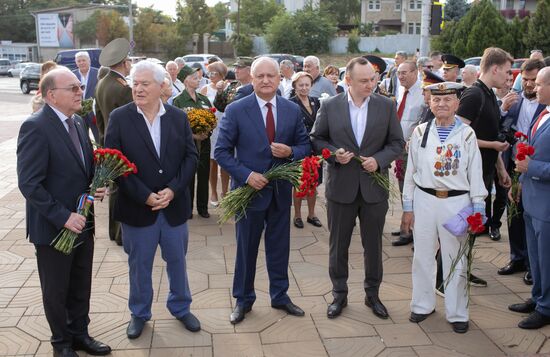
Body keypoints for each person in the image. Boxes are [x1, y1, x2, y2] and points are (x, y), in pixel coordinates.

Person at [17, 68, 111, 357]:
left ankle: (80, 334)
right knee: (56, 290)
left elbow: (82, 166)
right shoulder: (36, 126)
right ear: (51, 95)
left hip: (84, 222)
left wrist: (96, 184)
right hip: (54, 227)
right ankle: (61, 344)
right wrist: (63, 216)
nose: (79, 91)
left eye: (79, 87)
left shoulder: (79, 122)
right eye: (72, 88)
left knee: (80, 283)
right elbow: (30, 184)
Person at [104, 60, 201, 338]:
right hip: (137, 209)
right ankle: (139, 313)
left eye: (145, 84)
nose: (138, 89)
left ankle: (181, 308)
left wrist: (173, 189)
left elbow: (190, 157)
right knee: (139, 266)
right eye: (135, 83)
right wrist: (144, 195)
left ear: (162, 86)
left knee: (177, 262)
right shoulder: (120, 118)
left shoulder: (178, 117)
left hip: (173, 207)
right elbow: (114, 163)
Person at [215, 57, 311, 325]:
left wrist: (291, 151)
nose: (266, 81)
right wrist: (247, 175)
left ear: (280, 78)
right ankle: (243, 299)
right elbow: (221, 152)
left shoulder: (291, 110)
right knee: (246, 249)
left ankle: (280, 295)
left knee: (279, 247)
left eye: (272, 76)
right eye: (261, 76)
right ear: (251, 79)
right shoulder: (236, 110)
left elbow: (306, 146)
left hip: (280, 192)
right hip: (249, 194)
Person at [310, 57, 404, 320]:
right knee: (338, 245)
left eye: (373, 79)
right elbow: (317, 139)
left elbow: (397, 143)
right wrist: (332, 154)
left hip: (374, 189)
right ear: (347, 81)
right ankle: (339, 295)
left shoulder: (386, 106)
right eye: (363, 81)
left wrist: (380, 160)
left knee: (373, 245)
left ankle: (372, 294)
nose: (370, 85)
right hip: (341, 187)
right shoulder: (330, 106)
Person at [402, 81, 488, 334]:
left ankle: (458, 312)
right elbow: (411, 172)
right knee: (422, 255)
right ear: (429, 102)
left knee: (456, 259)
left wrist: (478, 206)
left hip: (457, 201)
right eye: (436, 99)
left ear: (457, 103)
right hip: (425, 199)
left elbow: (475, 173)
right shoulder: (419, 132)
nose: (441, 104)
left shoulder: (467, 134)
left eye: (447, 99)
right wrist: (408, 207)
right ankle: (422, 304)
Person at [456, 47, 514, 288]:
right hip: (469, 173)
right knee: (460, 227)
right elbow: (457, 135)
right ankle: (445, 274)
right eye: (508, 72)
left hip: (485, 171)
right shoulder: (473, 95)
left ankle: (461, 270)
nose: (509, 77)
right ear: (495, 68)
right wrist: (492, 145)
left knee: (471, 227)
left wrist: (500, 168)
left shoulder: (489, 95)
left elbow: (492, 137)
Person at [508, 67, 550, 329]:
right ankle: (537, 297)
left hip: (546, 205)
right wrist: (520, 183)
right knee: (535, 257)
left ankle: (546, 308)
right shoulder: (543, 113)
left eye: (541, 83)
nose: (535, 87)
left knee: (547, 258)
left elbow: (532, 162)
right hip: (532, 200)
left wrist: (530, 169)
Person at [497, 59, 546, 284]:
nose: (528, 85)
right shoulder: (514, 101)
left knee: (532, 215)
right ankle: (517, 257)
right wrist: (503, 109)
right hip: (515, 164)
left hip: (537, 168)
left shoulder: (545, 106)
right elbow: (503, 126)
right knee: (514, 212)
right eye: (524, 79)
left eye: (533, 80)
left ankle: (531, 264)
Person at [95, 38, 133, 246]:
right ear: (124, 63)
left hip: (108, 145)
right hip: (123, 147)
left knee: (114, 188)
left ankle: (113, 231)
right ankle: (120, 233)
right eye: (129, 61)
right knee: (122, 190)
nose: (131, 64)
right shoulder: (123, 88)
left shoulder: (102, 83)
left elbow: (100, 120)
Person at [392, 60, 424, 246]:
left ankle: (411, 230)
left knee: (410, 190)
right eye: (399, 73)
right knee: (403, 188)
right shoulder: (401, 90)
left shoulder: (422, 92)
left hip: (413, 149)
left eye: (404, 73)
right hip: (399, 147)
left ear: (415, 72)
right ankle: (406, 225)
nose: (400, 76)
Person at [173, 65, 213, 219]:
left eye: (199, 78)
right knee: (188, 177)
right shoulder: (178, 101)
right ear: (186, 80)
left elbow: (211, 118)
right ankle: (187, 208)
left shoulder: (204, 99)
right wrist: (193, 136)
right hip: (188, 146)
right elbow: (176, 126)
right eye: (195, 78)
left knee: (204, 176)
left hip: (204, 144)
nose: (198, 80)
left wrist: (207, 131)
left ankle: (202, 208)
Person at [289, 71, 322, 229]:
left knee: (313, 183)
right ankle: (297, 215)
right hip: (299, 147)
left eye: (307, 85)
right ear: (295, 86)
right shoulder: (290, 103)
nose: (304, 88)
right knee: (299, 184)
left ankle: (311, 214)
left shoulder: (317, 102)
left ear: (311, 86)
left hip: (315, 149)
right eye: (300, 85)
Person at [200, 61, 230, 207]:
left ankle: (225, 192)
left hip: (226, 127)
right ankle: (214, 192)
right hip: (212, 128)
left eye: (214, 73)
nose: (211, 76)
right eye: (209, 73)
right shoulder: (205, 89)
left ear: (222, 74)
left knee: (226, 162)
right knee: (212, 162)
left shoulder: (230, 87)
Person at [72, 51, 100, 142]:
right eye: (79, 61)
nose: (81, 63)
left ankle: (100, 154)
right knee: (82, 138)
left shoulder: (97, 73)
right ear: (76, 62)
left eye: (83, 60)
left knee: (98, 137)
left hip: (94, 112)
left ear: (89, 61)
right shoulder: (72, 75)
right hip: (78, 112)